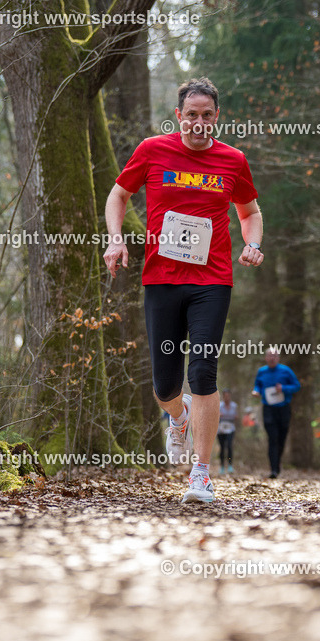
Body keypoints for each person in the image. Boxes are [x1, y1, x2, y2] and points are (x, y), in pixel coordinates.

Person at [103, 77, 264, 503]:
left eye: (206, 115)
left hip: (212, 280)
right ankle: (179, 417)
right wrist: (115, 238)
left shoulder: (232, 160)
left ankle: (200, 474)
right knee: (164, 387)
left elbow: (249, 211)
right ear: (178, 117)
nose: (198, 122)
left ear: (217, 118)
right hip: (162, 280)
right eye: (191, 115)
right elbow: (118, 195)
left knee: (203, 373)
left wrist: (253, 243)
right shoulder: (152, 150)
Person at [252, 348, 300, 478]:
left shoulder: (286, 371)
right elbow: (257, 385)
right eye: (269, 356)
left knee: (281, 438)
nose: (272, 358)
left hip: (283, 408)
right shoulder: (261, 372)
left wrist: (284, 388)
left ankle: (277, 462)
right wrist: (256, 391)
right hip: (268, 409)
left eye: (274, 356)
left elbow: (297, 386)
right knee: (272, 438)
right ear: (266, 358)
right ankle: (273, 469)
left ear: (278, 358)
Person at [217, 389, 238, 474]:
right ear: (223, 396)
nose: (227, 397)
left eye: (228, 396)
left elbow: (236, 416)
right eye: (225, 396)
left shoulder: (234, 405)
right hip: (221, 428)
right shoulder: (219, 405)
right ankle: (222, 466)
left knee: (229, 446)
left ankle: (230, 465)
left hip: (230, 428)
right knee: (222, 447)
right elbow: (216, 415)